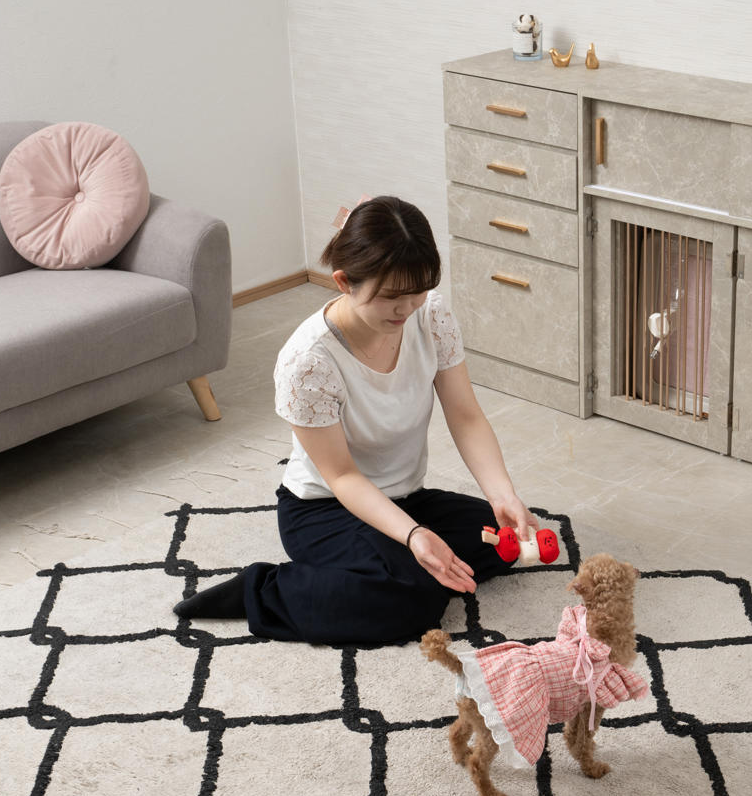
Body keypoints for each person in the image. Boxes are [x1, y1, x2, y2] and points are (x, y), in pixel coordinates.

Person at [173, 195, 538, 645]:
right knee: (416, 602)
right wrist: (413, 536)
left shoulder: (431, 313)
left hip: (404, 497)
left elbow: (465, 416)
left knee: (499, 541)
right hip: (324, 508)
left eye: (418, 291)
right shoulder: (308, 363)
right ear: (344, 281)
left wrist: (502, 494)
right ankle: (263, 590)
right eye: (391, 297)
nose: (407, 309)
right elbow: (342, 476)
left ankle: (379, 570)